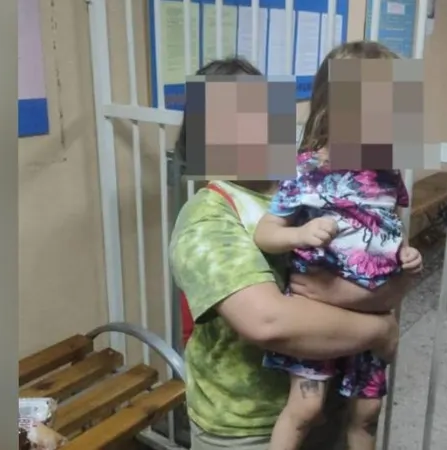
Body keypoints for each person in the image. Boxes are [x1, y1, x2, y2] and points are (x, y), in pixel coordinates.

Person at [170, 56, 423, 450]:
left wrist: (355, 290)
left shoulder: (306, 183)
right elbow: (269, 322)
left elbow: (389, 279)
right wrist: (381, 330)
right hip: (248, 429)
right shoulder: (208, 215)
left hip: (328, 397)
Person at [252, 41, 421, 450]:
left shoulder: (388, 173)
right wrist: (299, 235)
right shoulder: (305, 171)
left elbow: (389, 227)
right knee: (305, 410)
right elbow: (265, 232)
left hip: (373, 311)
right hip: (319, 316)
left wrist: (405, 252)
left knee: (367, 413)